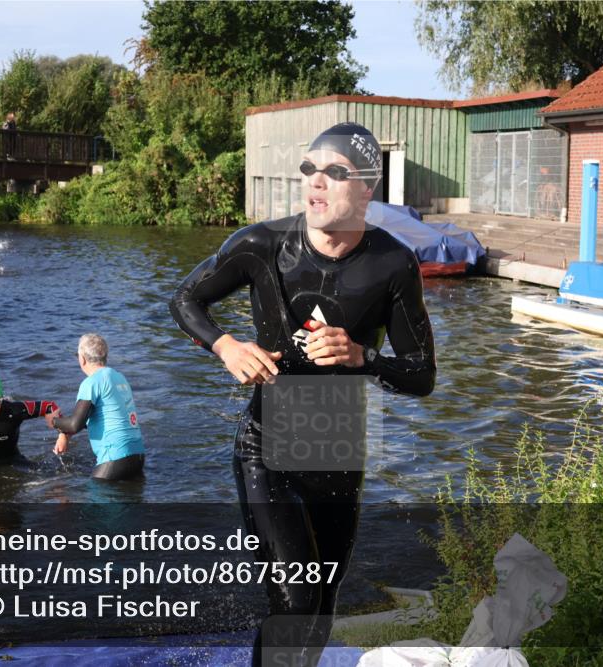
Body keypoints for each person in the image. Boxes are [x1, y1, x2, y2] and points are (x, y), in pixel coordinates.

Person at [169, 122, 435, 667]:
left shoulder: (393, 264)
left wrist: (364, 357)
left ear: (367, 188)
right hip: (267, 447)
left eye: (335, 171)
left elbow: (421, 374)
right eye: (309, 168)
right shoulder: (261, 246)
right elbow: (184, 301)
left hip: (340, 452)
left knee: (323, 605)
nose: (316, 181)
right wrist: (225, 346)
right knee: (296, 598)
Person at [49, 334, 145, 480]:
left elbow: (75, 424)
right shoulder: (119, 377)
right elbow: (96, 419)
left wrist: (54, 420)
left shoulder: (91, 382)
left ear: (82, 359)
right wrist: (64, 435)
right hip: (137, 456)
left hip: (115, 457)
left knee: (96, 500)